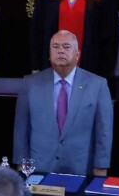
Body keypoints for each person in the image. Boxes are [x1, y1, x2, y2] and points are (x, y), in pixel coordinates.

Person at [12, 30, 112, 177]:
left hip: (81, 169)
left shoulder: (98, 85)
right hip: (39, 168)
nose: (60, 51)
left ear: (77, 54)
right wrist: (21, 164)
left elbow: (104, 131)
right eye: (56, 46)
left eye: (66, 46)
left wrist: (101, 167)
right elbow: (21, 129)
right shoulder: (30, 84)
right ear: (49, 53)